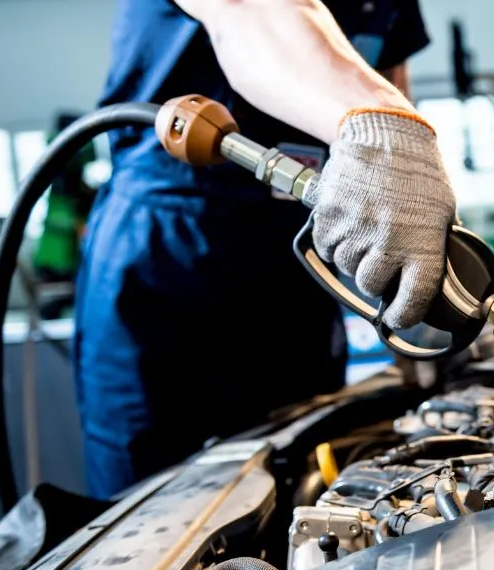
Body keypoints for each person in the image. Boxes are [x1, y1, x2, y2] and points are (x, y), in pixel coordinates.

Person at [76, 0, 456, 499]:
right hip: (166, 251)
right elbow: (251, 11)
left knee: (302, 490)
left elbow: (390, 95)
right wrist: (381, 129)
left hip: (294, 253)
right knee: (145, 511)